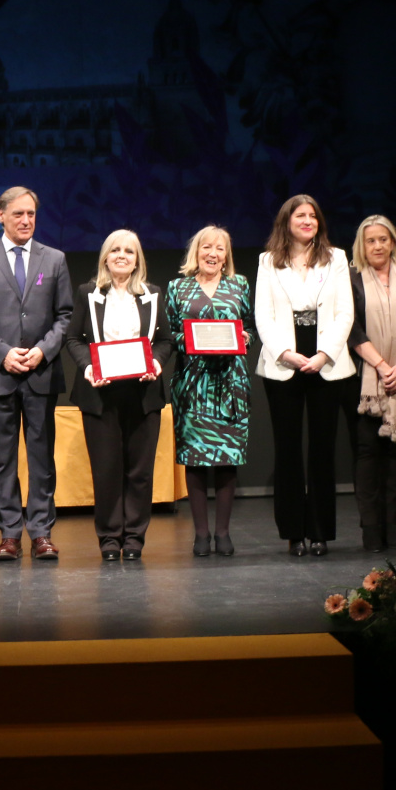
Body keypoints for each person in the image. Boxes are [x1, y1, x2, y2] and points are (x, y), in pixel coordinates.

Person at [0, 186, 74, 561]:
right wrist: (2, 352)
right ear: (1, 215)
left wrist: (42, 351)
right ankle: (9, 533)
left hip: (41, 373)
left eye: (31, 215)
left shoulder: (54, 259)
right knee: (3, 459)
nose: (26, 221)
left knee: (41, 457)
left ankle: (41, 532)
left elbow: (65, 315)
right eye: (18, 214)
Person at [254, 195, 355, 557]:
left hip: (326, 360)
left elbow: (345, 313)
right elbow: (263, 315)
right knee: (288, 451)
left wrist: (323, 353)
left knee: (323, 451)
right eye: (301, 215)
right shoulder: (268, 261)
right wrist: (287, 354)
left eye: (314, 215)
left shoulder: (337, 258)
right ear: (287, 221)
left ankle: (320, 532)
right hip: (284, 361)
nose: (308, 220)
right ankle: (294, 532)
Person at [65, 230, 174, 560]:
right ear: (105, 257)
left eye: (129, 250)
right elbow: (73, 339)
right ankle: (110, 538)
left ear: (137, 258)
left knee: (139, 472)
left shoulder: (153, 294)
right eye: (115, 250)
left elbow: (165, 341)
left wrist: (155, 363)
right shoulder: (88, 293)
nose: (122, 255)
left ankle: (135, 538)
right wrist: (88, 368)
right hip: (100, 394)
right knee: (107, 469)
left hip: (143, 393)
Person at [166, 226, 253, 557]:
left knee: (228, 458)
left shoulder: (239, 285)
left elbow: (250, 327)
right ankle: (201, 534)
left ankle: (223, 533)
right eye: (206, 247)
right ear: (196, 251)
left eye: (220, 248)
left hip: (230, 385)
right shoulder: (178, 288)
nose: (212, 254)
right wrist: (191, 340)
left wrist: (245, 338)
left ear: (226, 255)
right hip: (194, 383)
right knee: (195, 458)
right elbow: (170, 333)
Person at [346, 215, 396, 553]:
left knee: (393, 452)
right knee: (367, 452)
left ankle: (390, 527)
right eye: (371, 241)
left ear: (392, 242)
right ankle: (370, 529)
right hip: (364, 377)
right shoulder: (351, 281)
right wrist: (381, 366)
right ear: (362, 246)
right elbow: (350, 329)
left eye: (383, 239)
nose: (377, 245)